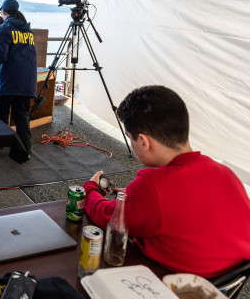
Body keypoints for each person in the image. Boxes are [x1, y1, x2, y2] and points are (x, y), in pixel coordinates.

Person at [84, 85, 250, 278]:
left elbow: (106, 216)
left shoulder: (153, 186)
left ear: (144, 142)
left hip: (173, 287)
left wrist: (91, 188)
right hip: (224, 287)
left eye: (130, 138)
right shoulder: (226, 174)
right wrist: (135, 201)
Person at [0, 0, 37, 163]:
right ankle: (24, 151)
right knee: (21, 116)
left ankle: (0, 142)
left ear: (3, 12)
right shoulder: (27, 30)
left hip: (12, 79)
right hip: (27, 79)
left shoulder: (4, 28)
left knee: (3, 112)